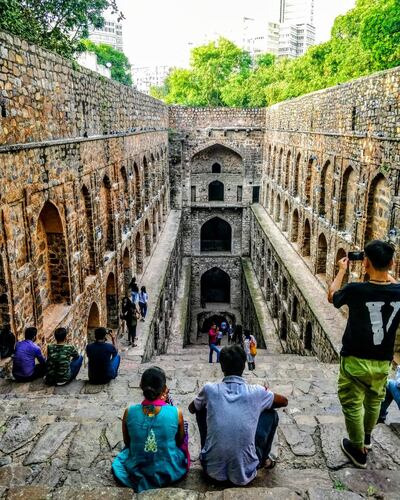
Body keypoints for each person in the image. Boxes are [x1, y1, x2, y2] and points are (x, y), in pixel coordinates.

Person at [328, 240, 400, 469]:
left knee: (351, 403)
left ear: (365, 262)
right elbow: (393, 284)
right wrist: (385, 276)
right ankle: (367, 437)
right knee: (374, 400)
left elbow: (332, 295)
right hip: (382, 362)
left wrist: (341, 270)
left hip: (355, 360)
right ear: (392, 263)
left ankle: (357, 448)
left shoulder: (356, 290)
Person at [189, 345, 288, 486]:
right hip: (245, 472)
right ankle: (264, 458)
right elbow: (284, 401)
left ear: (222, 367)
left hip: (211, 470)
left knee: (201, 407)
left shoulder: (210, 389)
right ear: (244, 365)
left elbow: (192, 408)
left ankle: (209, 450)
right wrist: (261, 400)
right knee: (271, 414)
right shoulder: (256, 392)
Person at [112, 366, 188, 492]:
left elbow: (128, 443)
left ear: (141, 385)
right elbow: (179, 442)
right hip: (168, 470)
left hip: (137, 468)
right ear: (164, 389)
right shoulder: (176, 412)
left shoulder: (129, 412)